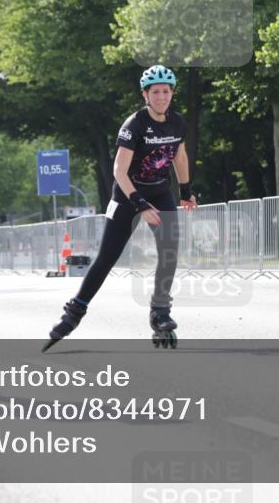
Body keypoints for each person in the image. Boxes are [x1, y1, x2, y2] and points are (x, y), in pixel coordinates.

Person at [43, 65, 198, 352]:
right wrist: (139, 203)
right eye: (156, 92)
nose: (162, 97)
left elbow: (180, 156)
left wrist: (186, 191)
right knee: (107, 257)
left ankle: (160, 311)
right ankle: (74, 311)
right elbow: (118, 170)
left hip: (161, 193)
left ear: (172, 93)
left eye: (166, 91)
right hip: (128, 195)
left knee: (169, 249)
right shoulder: (134, 124)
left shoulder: (176, 122)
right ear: (145, 95)